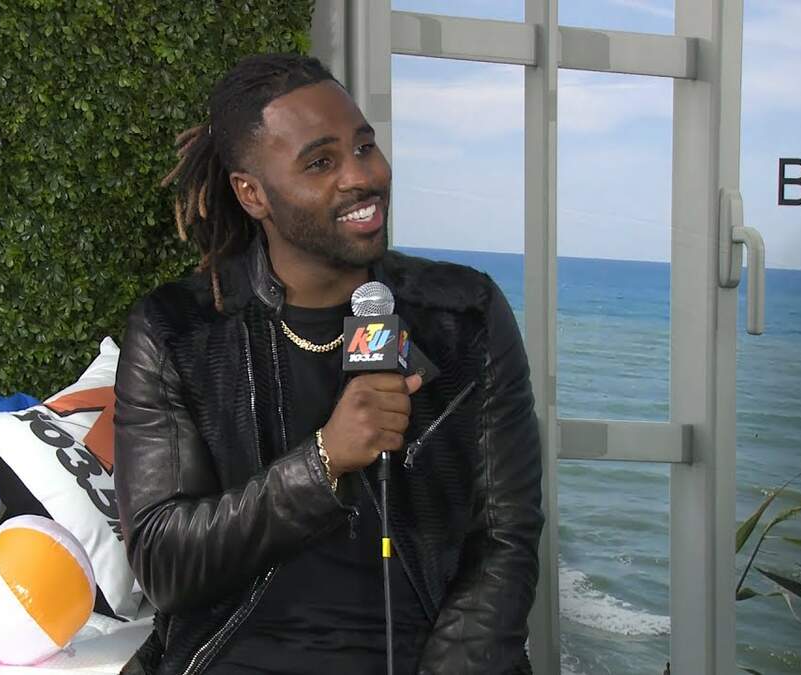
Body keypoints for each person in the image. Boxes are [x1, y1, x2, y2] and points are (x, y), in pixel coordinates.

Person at [113, 53, 543, 675]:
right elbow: (164, 563)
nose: (361, 176)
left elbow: (505, 539)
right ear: (252, 194)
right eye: (321, 162)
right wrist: (322, 463)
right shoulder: (179, 330)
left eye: (364, 147)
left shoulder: (463, 314)